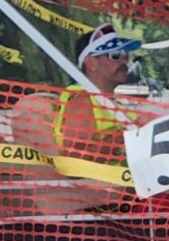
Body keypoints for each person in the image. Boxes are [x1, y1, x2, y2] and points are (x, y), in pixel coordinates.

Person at [11, 23, 144, 159]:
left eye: (126, 56)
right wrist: (132, 135)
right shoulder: (80, 97)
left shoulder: (117, 106)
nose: (124, 61)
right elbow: (76, 158)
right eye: (115, 55)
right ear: (91, 62)